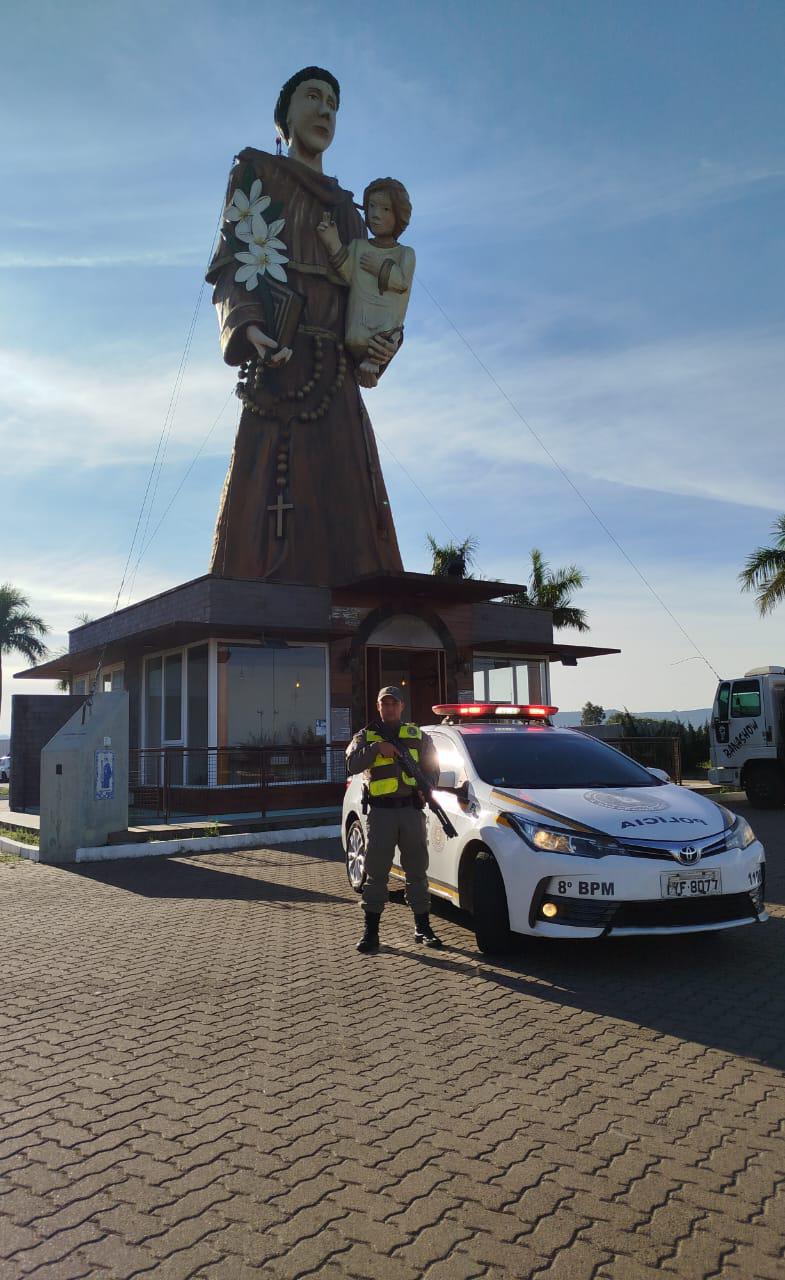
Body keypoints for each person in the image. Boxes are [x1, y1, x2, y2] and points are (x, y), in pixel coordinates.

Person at [205, 67, 404, 585]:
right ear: (285, 115)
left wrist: (379, 348)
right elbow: (231, 267)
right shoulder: (254, 175)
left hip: (333, 385)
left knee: (351, 528)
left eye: (333, 104)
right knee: (259, 516)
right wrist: (248, 327)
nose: (324, 111)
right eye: (312, 98)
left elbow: (372, 300)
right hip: (274, 374)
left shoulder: (347, 209)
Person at [346, 686, 443, 953]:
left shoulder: (417, 736)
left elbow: (433, 768)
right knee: (376, 874)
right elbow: (352, 765)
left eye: (394, 703)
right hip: (381, 814)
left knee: (417, 872)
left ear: (402, 706)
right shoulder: (365, 736)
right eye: (384, 704)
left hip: (411, 811)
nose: (389, 708)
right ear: (378, 707)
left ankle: (423, 928)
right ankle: (371, 932)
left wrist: (428, 788)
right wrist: (377, 748)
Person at [315, 178, 415, 388]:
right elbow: (346, 271)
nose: (376, 214)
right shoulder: (358, 246)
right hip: (356, 331)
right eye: (371, 206)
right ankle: (367, 366)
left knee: (387, 338)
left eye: (385, 209)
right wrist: (332, 241)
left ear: (399, 214)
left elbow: (402, 282)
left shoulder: (404, 253)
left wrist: (380, 267)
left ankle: (373, 364)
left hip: (383, 334)